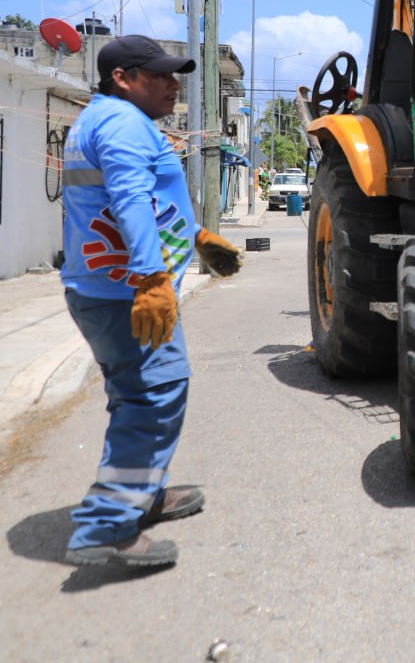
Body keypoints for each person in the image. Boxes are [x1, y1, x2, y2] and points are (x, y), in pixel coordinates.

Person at [60, 34, 243, 568]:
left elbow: (154, 202)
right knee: (153, 397)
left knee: (136, 396)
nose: (173, 83)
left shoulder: (106, 118)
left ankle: (143, 495)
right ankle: (106, 528)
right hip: (124, 292)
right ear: (122, 78)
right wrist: (150, 279)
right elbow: (130, 199)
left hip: (105, 287)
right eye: (160, 75)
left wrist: (197, 237)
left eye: (175, 74)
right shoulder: (121, 124)